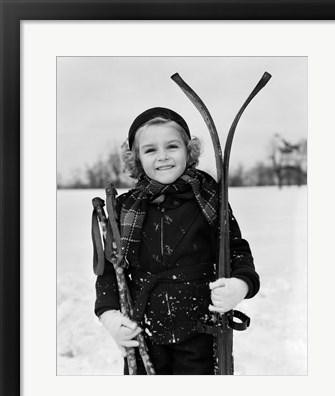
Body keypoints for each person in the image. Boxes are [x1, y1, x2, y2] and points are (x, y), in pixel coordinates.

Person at [94, 107, 260, 375]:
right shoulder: (124, 209)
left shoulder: (209, 198)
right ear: (135, 158)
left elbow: (237, 250)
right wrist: (108, 313)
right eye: (150, 150)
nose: (163, 156)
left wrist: (240, 284)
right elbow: (111, 269)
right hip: (144, 331)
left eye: (172, 146)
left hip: (201, 330)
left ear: (188, 150)